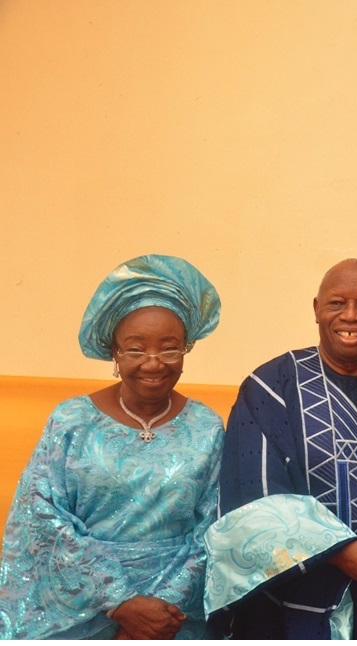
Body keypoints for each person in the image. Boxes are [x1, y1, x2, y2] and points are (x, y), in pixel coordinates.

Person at [206, 258, 357, 639]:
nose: (351, 316)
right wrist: (340, 550)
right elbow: (252, 502)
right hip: (294, 605)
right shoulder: (270, 388)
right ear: (316, 309)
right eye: (336, 303)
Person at [0, 255, 223, 640]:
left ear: (186, 349)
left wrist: (157, 616)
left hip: (175, 619)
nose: (153, 363)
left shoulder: (207, 426)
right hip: (78, 610)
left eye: (169, 348)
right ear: (114, 353)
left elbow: (215, 526)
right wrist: (119, 603)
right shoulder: (71, 420)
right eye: (135, 349)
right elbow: (39, 515)